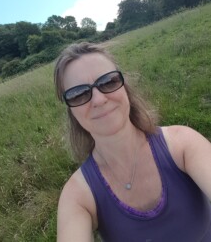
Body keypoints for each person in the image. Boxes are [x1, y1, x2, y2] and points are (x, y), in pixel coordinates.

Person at [54, 41, 211, 242]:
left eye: (108, 81)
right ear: (71, 111)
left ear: (124, 87)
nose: (99, 99)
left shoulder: (182, 144)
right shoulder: (77, 196)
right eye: (79, 94)